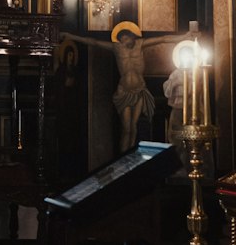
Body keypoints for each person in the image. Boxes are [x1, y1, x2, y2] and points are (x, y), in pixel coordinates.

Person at [64, 20, 194, 152]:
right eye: (122, 39)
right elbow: (93, 42)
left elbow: (163, 39)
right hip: (124, 91)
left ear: (132, 36)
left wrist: (184, 37)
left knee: (134, 126)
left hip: (139, 90)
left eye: (126, 38)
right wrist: (71, 36)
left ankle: (130, 156)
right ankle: (123, 157)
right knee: (126, 128)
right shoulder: (117, 48)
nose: (125, 42)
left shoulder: (140, 44)